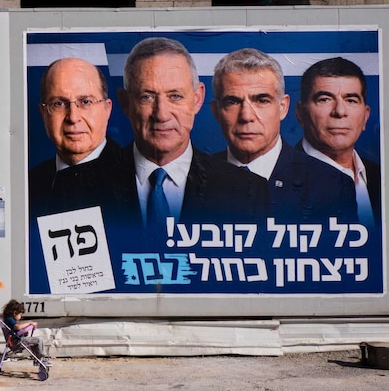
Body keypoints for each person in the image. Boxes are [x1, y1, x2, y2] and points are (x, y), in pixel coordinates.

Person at [114, 37, 269, 245]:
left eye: (175, 96)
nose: (161, 114)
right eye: (147, 97)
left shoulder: (247, 191)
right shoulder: (82, 185)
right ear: (126, 103)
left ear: (197, 99)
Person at [210, 48, 357, 223]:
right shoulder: (190, 180)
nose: (246, 116)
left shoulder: (333, 187)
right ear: (216, 111)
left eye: (262, 100)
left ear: (283, 107)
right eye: (233, 102)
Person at [27, 57, 131, 293]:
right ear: (43, 113)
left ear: (107, 109)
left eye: (85, 101)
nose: (73, 117)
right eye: (59, 104)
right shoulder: (28, 184)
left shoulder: (140, 180)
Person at [295, 57, 381, 228]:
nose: (340, 112)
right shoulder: (272, 182)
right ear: (300, 114)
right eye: (325, 99)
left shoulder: (381, 177)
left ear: (365, 116)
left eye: (351, 100)